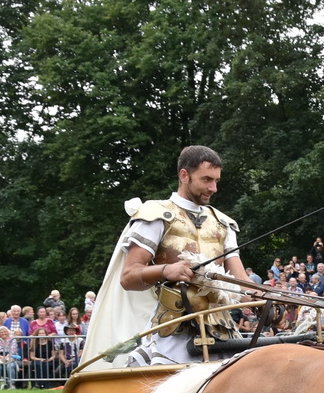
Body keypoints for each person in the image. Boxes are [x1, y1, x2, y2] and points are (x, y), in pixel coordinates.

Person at [91, 145, 254, 367]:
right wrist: (167, 270)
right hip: (171, 332)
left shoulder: (222, 223)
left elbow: (241, 284)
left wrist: (268, 301)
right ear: (184, 175)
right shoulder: (155, 215)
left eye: (216, 181)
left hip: (223, 333)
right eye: (206, 179)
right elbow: (128, 276)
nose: (213, 187)